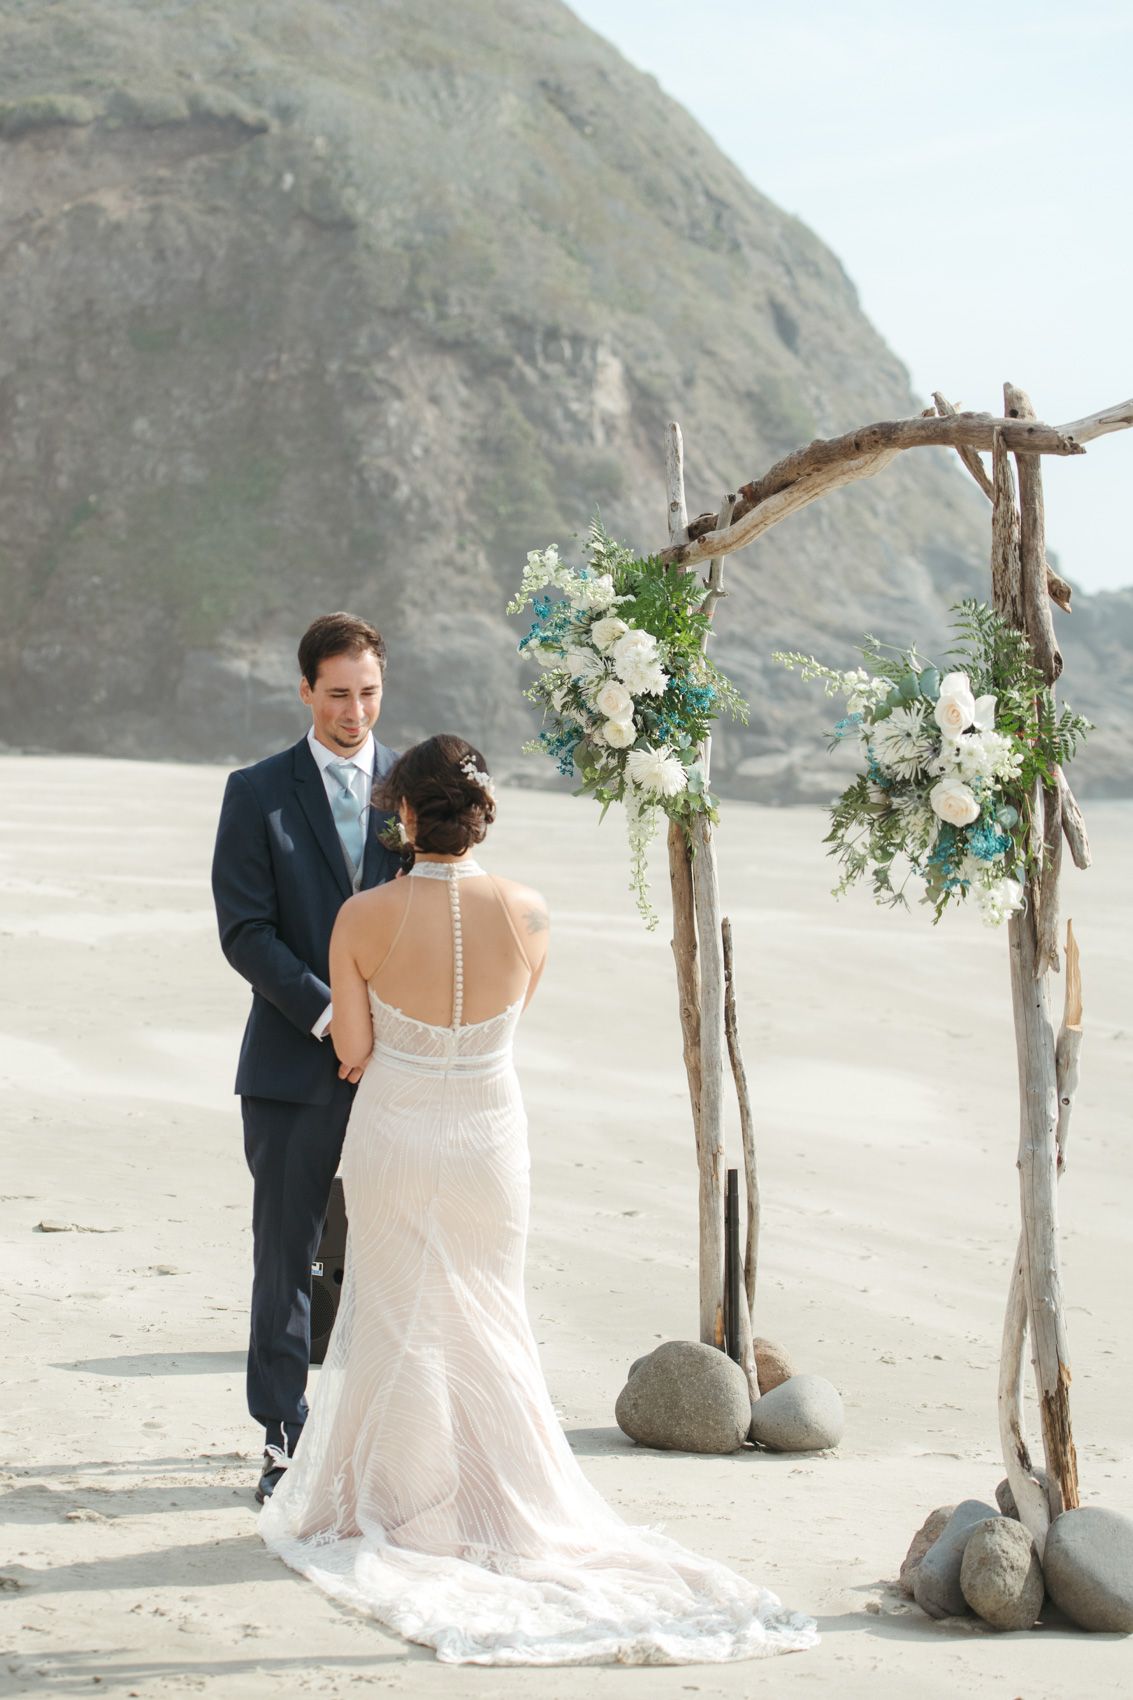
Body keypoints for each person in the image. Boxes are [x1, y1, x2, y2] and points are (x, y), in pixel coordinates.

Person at [259, 733, 817, 1667]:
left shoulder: (360, 916)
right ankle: (492, 1500)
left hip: (395, 1135)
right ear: (479, 815)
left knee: (399, 1318)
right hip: (489, 1138)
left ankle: (402, 1505)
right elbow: (509, 1022)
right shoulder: (531, 913)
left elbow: (351, 1049)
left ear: (403, 815)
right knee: (489, 1316)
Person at [211, 612, 402, 1504]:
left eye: (367, 692)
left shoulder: (413, 792)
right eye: (336, 694)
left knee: (390, 1256)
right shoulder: (255, 792)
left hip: (401, 1071)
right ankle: (283, 1437)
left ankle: (379, 1437)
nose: (354, 711)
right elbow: (245, 933)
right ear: (304, 691)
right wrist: (335, 1019)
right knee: (284, 1254)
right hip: (293, 1065)